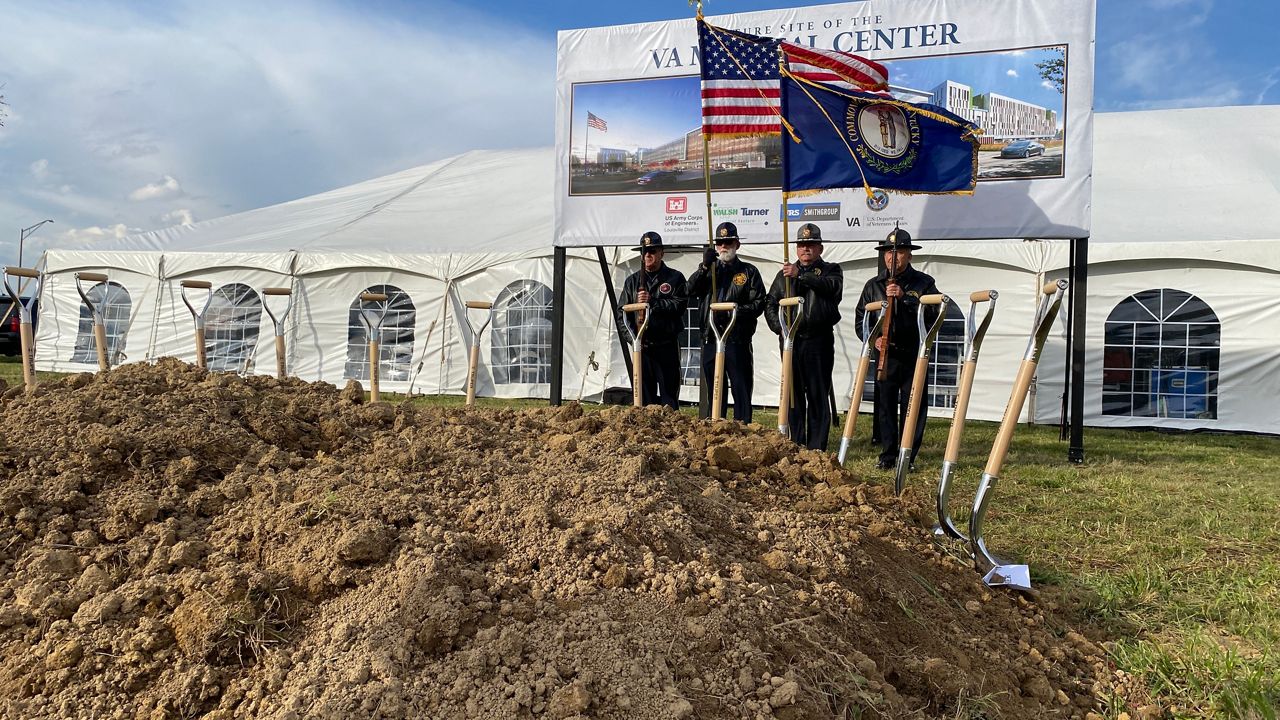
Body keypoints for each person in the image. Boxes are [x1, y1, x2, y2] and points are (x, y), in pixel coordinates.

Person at [855, 227, 940, 470]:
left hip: (913, 354)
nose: (893, 258)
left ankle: (908, 456)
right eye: (889, 253)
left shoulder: (924, 283)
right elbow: (861, 318)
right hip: (886, 356)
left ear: (909, 255)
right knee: (885, 406)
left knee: (913, 406)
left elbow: (933, 315)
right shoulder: (873, 285)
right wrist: (872, 340)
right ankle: (888, 454)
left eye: (899, 252)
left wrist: (905, 298)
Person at [766, 223, 843, 450]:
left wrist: (802, 276)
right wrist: (778, 327)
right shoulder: (784, 275)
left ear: (820, 248)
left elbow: (832, 289)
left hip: (818, 340)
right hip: (791, 341)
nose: (805, 249)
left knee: (818, 393)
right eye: (801, 245)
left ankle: (817, 446)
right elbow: (770, 302)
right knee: (793, 394)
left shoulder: (831, 270)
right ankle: (796, 442)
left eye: (810, 245)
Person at [687, 221, 766, 422]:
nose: (724, 246)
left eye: (728, 242)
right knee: (715, 391)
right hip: (711, 339)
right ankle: (715, 430)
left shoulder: (749, 272)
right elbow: (689, 290)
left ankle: (744, 432)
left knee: (741, 389)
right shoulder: (709, 271)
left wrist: (735, 312)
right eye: (720, 242)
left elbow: (758, 304)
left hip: (736, 339)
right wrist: (704, 267)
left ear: (737, 244)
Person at [617, 231, 687, 410]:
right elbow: (621, 314)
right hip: (643, 348)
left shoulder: (675, 277)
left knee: (668, 399)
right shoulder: (632, 282)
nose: (648, 255)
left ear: (661, 253)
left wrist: (653, 302)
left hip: (666, 346)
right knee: (642, 399)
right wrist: (633, 338)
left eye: (652, 251)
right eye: (645, 251)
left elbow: (679, 305)